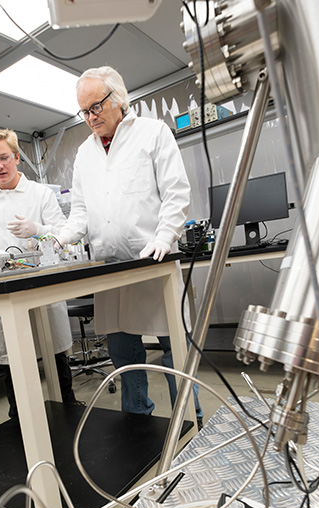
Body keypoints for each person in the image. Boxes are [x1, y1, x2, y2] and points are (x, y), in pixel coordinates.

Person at [55, 66, 203, 426]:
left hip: (152, 261)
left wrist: (165, 237)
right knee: (124, 352)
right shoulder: (85, 154)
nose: (90, 118)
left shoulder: (153, 133)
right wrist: (59, 237)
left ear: (118, 99)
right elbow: (80, 211)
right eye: (84, 111)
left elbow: (176, 193)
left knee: (173, 350)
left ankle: (191, 421)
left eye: (96, 107)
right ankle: (138, 423)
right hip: (111, 269)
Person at [0, 128, 84, 420]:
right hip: (3, 290)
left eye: (4, 158)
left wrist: (38, 230)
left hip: (41, 287)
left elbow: (64, 235)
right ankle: (19, 418)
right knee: (12, 362)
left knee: (55, 357)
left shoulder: (39, 194)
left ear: (17, 157)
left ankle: (67, 408)